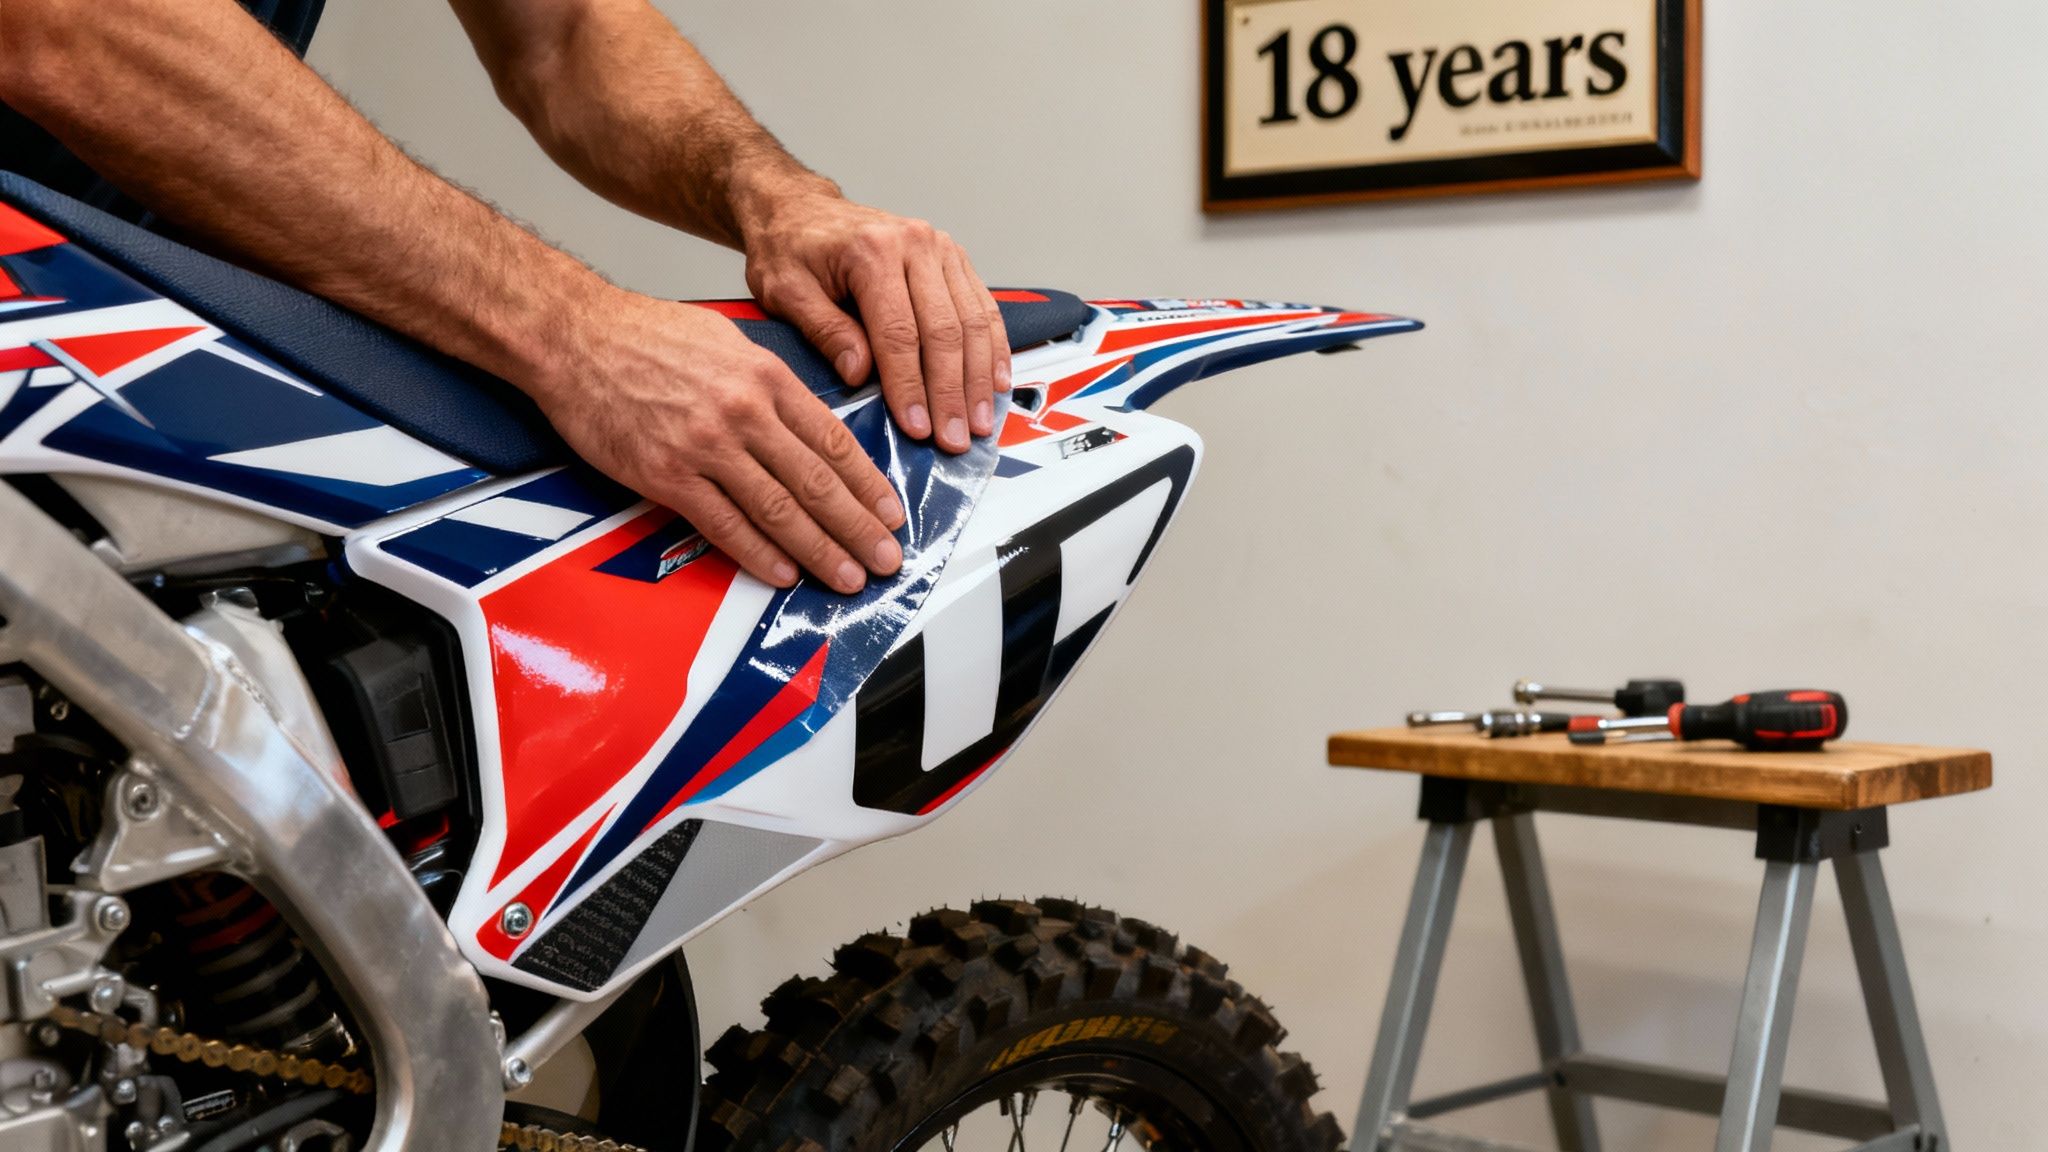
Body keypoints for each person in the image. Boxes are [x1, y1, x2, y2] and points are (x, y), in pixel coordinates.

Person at [0, 0, 1013, 595]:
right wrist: (574, 331)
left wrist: (776, 196)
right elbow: (71, 26)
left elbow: (562, 35)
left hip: (141, 346)